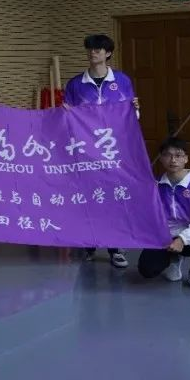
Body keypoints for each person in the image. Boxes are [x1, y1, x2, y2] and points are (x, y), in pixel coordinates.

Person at [63, 33, 139, 269]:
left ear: (108, 53)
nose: (92, 53)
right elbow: (67, 119)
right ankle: (89, 244)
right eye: (89, 49)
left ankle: (116, 247)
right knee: (89, 198)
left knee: (114, 198)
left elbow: (130, 115)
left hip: (114, 152)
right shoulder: (75, 84)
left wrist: (136, 110)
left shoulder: (122, 81)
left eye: (97, 49)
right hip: (85, 152)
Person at [137, 137, 190, 292]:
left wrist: (182, 239)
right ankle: (174, 259)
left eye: (178, 155)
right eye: (167, 155)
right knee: (147, 270)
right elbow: (144, 212)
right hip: (164, 237)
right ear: (161, 158)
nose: (173, 160)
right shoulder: (155, 185)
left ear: (186, 159)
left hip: (188, 236)